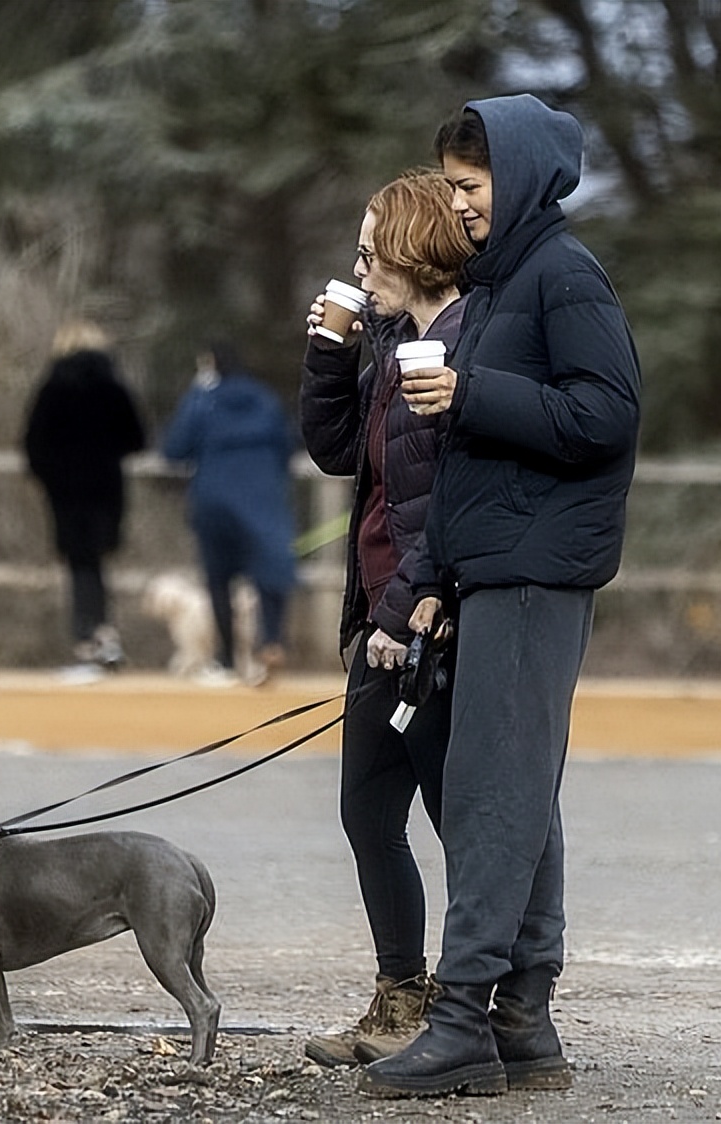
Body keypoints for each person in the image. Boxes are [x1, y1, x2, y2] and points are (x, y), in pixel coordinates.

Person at [357, 96, 641, 1099]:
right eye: (450, 186)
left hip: (536, 572)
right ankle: (522, 1022)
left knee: (490, 796)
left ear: (516, 179)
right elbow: (474, 467)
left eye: (469, 188)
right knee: (517, 798)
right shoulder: (504, 277)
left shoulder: (562, 275)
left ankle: (463, 1019)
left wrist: (470, 395)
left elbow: (607, 413)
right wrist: (429, 578)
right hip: (493, 566)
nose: (458, 206)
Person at [297, 169, 475, 1066]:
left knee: (460, 820)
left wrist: (405, 611)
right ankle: (400, 997)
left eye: (370, 252)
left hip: (431, 625)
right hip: (379, 618)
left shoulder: (456, 350)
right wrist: (331, 352)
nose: (359, 268)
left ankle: (482, 1008)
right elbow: (336, 454)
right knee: (368, 814)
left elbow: (451, 504)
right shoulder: (394, 343)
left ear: (410, 251)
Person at [161, 341, 298, 685]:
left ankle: (225, 658)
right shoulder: (265, 400)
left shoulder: (203, 400)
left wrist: (195, 393)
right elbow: (287, 445)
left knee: (219, 579)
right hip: (264, 495)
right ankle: (272, 641)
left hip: (214, 498)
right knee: (270, 570)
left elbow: (174, 449)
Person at [23, 319, 146, 671]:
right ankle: (102, 633)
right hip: (106, 487)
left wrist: (49, 475)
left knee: (79, 563)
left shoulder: (52, 387)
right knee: (97, 560)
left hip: (65, 490)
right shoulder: (113, 386)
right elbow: (136, 437)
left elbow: (33, 443)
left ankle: (88, 638)